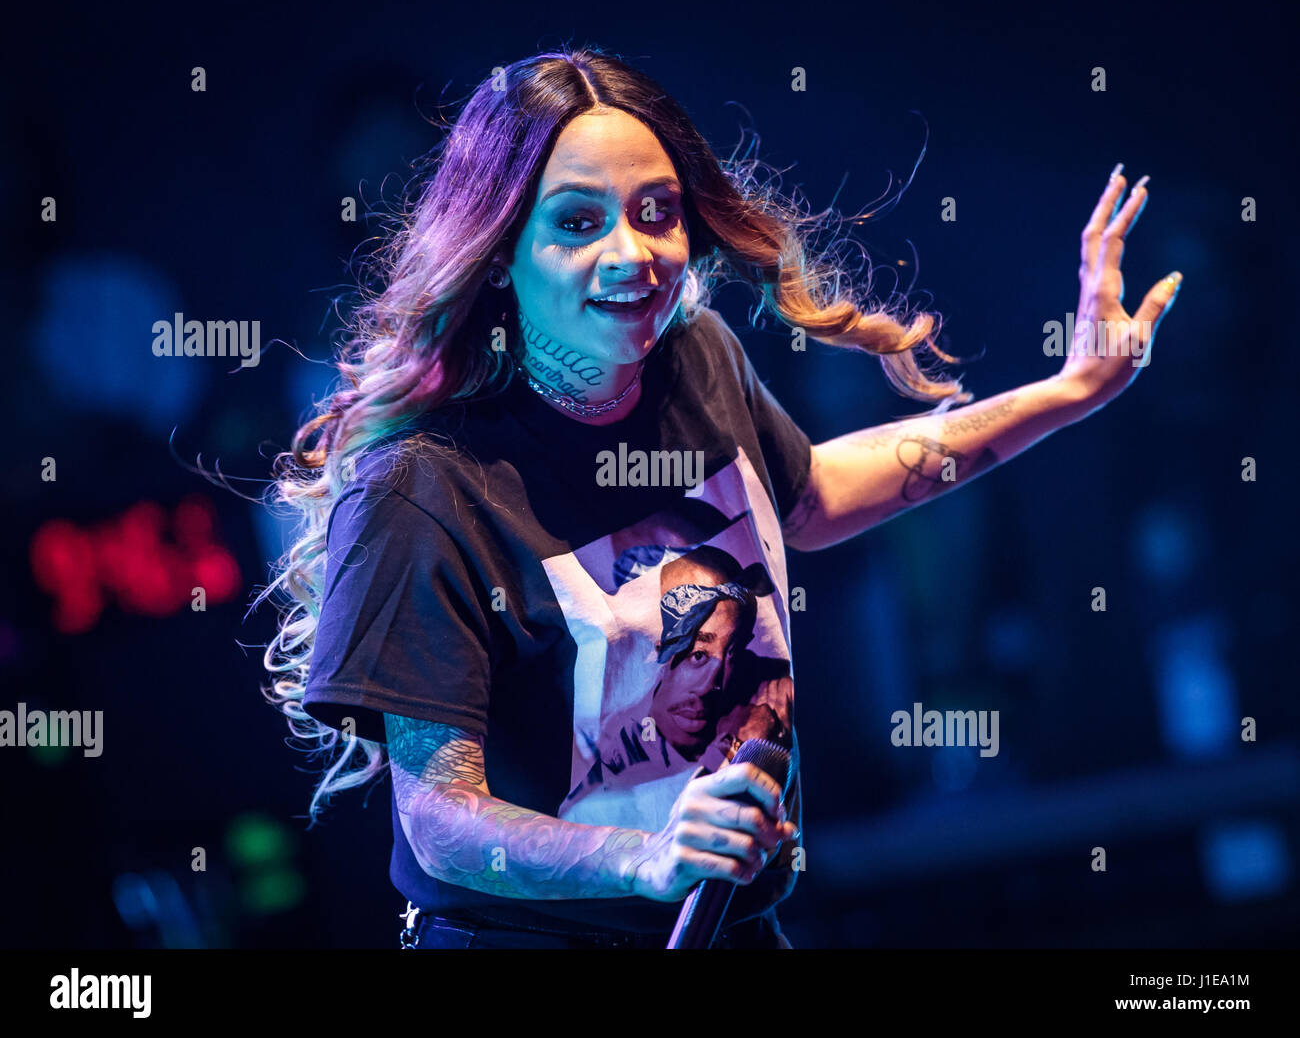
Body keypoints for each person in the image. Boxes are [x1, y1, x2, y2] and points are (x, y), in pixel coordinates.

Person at [257, 46, 1181, 950]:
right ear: (500, 253)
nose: (634, 252)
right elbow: (441, 822)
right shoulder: (423, 484)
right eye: (577, 223)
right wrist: (646, 858)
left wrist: (1068, 394)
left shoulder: (694, 358)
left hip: (731, 927)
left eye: (656, 212)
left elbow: (811, 494)